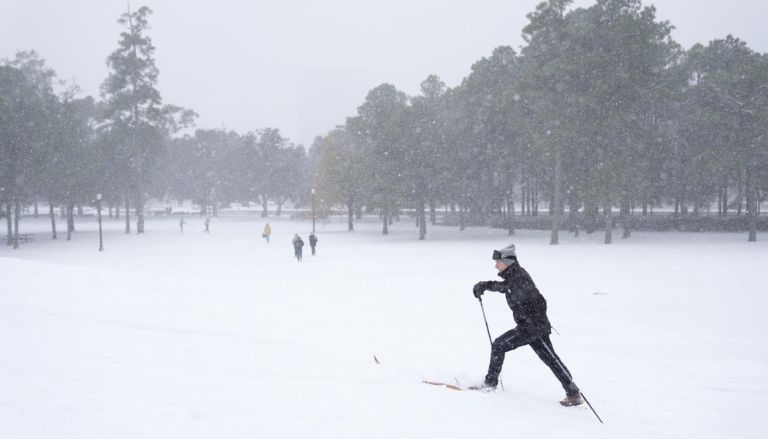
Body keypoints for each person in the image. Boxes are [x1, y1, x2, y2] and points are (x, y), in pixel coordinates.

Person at [471, 244, 583, 407]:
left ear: (507, 262)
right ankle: (573, 393)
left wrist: (534, 322)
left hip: (532, 327)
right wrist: (485, 285)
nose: (496, 265)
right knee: (550, 358)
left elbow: (539, 301)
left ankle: (490, 384)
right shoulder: (513, 276)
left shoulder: (519, 278)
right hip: (530, 327)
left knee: (500, 345)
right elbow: (505, 288)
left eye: (498, 262)